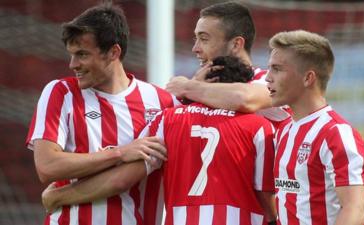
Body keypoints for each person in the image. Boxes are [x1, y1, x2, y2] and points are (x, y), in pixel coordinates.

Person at [41, 56, 278, 225]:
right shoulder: (260, 127)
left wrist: (61, 196)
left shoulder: (167, 120)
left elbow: (121, 180)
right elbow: (266, 197)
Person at [26, 3, 178, 225]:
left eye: (82, 54)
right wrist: (118, 153)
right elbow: (47, 167)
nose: (73, 64)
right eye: (72, 55)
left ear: (113, 52)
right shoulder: (61, 93)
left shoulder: (163, 103)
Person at [266, 30, 364, 225]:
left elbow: (355, 210)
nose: (267, 77)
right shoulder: (284, 130)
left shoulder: (337, 133)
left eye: (277, 69)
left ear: (308, 78)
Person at [166, 1, 290, 125]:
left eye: (204, 39)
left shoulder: (270, 80)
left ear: (236, 44)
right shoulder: (196, 88)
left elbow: (244, 99)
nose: (195, 48)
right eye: (195, 39)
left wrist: (188, 87)